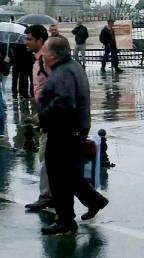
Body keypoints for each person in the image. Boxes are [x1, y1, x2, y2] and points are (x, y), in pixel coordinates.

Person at [33, 37, 109, 235]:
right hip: (74, 127)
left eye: (45, 52)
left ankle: (65, 219)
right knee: (69, 172)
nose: (42, 56)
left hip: (65, 129)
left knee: (58, 173)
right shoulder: (71, 66)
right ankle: (93, 201)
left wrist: (42, 117)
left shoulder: (64, 72)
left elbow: (65, 103)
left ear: (54, 54)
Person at [23, 25, 54, 211]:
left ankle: (47, 196)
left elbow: (57, 88)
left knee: (47, 155)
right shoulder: (38, 59)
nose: (26, 42)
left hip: (50, 113)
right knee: (47, 155)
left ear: (40, 40)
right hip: (45, 110)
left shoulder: (46, 59)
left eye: (29, 39)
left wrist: (44, 113)